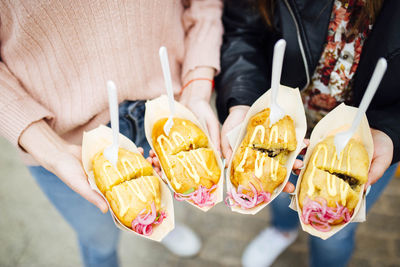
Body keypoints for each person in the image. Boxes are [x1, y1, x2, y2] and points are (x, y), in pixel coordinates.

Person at [0, 1, 223, 267]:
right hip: (65, 143)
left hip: (168, 113)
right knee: (99, 237)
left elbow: (205, 6)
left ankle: (162, 227)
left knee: (165, 197)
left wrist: (197, 87)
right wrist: (49, 148)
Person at [216, 0, 400, 266]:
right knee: (279, 190)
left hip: (368, 137)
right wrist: (243, 99)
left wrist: (392, 130)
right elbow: (243, 32)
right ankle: (283, 230)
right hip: (283, 125)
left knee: (336, 232)